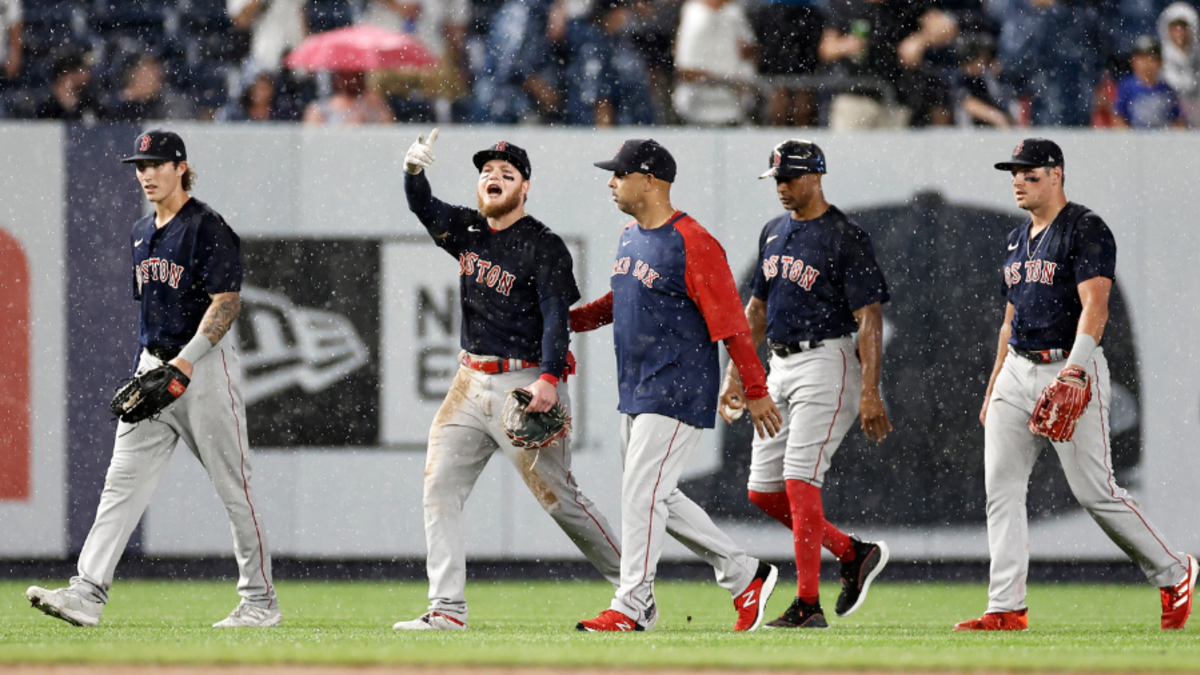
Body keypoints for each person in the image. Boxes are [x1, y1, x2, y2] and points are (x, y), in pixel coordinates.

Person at [26, 130, 280, 629]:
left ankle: (260, 602)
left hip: (203, 368)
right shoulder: (143, 232)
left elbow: (226, 302)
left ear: (181, 167)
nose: (145, 173)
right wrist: (150, 365)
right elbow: (152, 308)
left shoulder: (208, 227)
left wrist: (184, 362)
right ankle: (87, 593)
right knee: (119, 486)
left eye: (156, 163)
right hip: (154, 368)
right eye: (140, 164)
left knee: (235, 489)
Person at [957, 138, 1197, 632]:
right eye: (1014, 173)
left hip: (1071, 366)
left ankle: (1175, 571)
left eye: (1029, 172)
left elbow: (1097, 307)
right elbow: (1010, 319)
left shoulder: (1085, 228)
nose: (1018, 180)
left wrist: (1074, 372)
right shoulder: (1014, 239)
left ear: (1056, 174)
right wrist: (994, 382)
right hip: (1017, 370)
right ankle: (1006, 607)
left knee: (1095, 492)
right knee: (1001, 490)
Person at [395, 128, 622, 631]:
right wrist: (413, 172)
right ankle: (447, 609)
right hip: (467, 382)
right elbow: (423, 206)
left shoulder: (544, 245)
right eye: (486, 173)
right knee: (439, 490)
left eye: (506, 173)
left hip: (524, 384)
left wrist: (547, 379)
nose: (493, 177)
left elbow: (556, 318)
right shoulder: (468, 230)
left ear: (525, 188)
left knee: (561, 501)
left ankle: (633, 590)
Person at [571, 138, 784, 632]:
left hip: (678, 386)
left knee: (642, 493)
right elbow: (617, 299)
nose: (611, 182)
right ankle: (744, 573)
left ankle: (633, 604)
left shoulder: (694, 241)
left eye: (619, 174)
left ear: (650, 181)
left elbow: (732, 324)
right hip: (638, 388)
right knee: (655, 496)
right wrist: (570, 322)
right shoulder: (630, 235)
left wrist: (754, 388)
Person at [718, 139, 891, 629]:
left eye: (789, 177)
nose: (781, 186)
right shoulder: (773, 231)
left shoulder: (845, 236)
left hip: (827, 359)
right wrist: (736, 374)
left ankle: (807, 604)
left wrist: (870, 389)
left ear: (817, 176)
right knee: (763, 491)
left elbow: (869, 318)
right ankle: (850, 552)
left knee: (798, 480)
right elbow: (755, 311)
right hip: (779, 363)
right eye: (776, 178)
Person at [819, 0, 958, 129]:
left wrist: (919, 41)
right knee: (848, 150)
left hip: (897, 99)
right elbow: (826, 49)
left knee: (892, 153)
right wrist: (845, 45)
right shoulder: (847, 4)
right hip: (855, 96)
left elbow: (947, 27)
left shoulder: (904, 4)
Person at [672, 0, 757, 126]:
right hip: (697, 109)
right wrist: (721, 80)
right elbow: (685, 70)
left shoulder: (735, 12)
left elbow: (751, 53)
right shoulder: (693, 13)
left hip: (735, 109)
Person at [1114, 36, 1186, 130]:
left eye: (1152, 58)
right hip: (1135, 139)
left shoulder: (1166, 89)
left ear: (1160, 62)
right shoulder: (1127, 87)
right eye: (1141, 58)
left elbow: (1176, 120)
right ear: (1133, 61)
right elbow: (1118, 118)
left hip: (1163, 139)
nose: (1147, 63)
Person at [301, 70, 396, 126]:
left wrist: (379, 106)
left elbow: (389, 131)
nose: (351, 80)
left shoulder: (372, 103)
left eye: (355, 75)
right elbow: (313, 138)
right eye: (344, 75)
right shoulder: (319, 109)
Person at [1158, 2, 1200, 126]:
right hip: (1169, 114)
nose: (1179, 32)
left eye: (1183, 27)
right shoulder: (1157, 56)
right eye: (1174, 28)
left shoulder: (1197, 56)